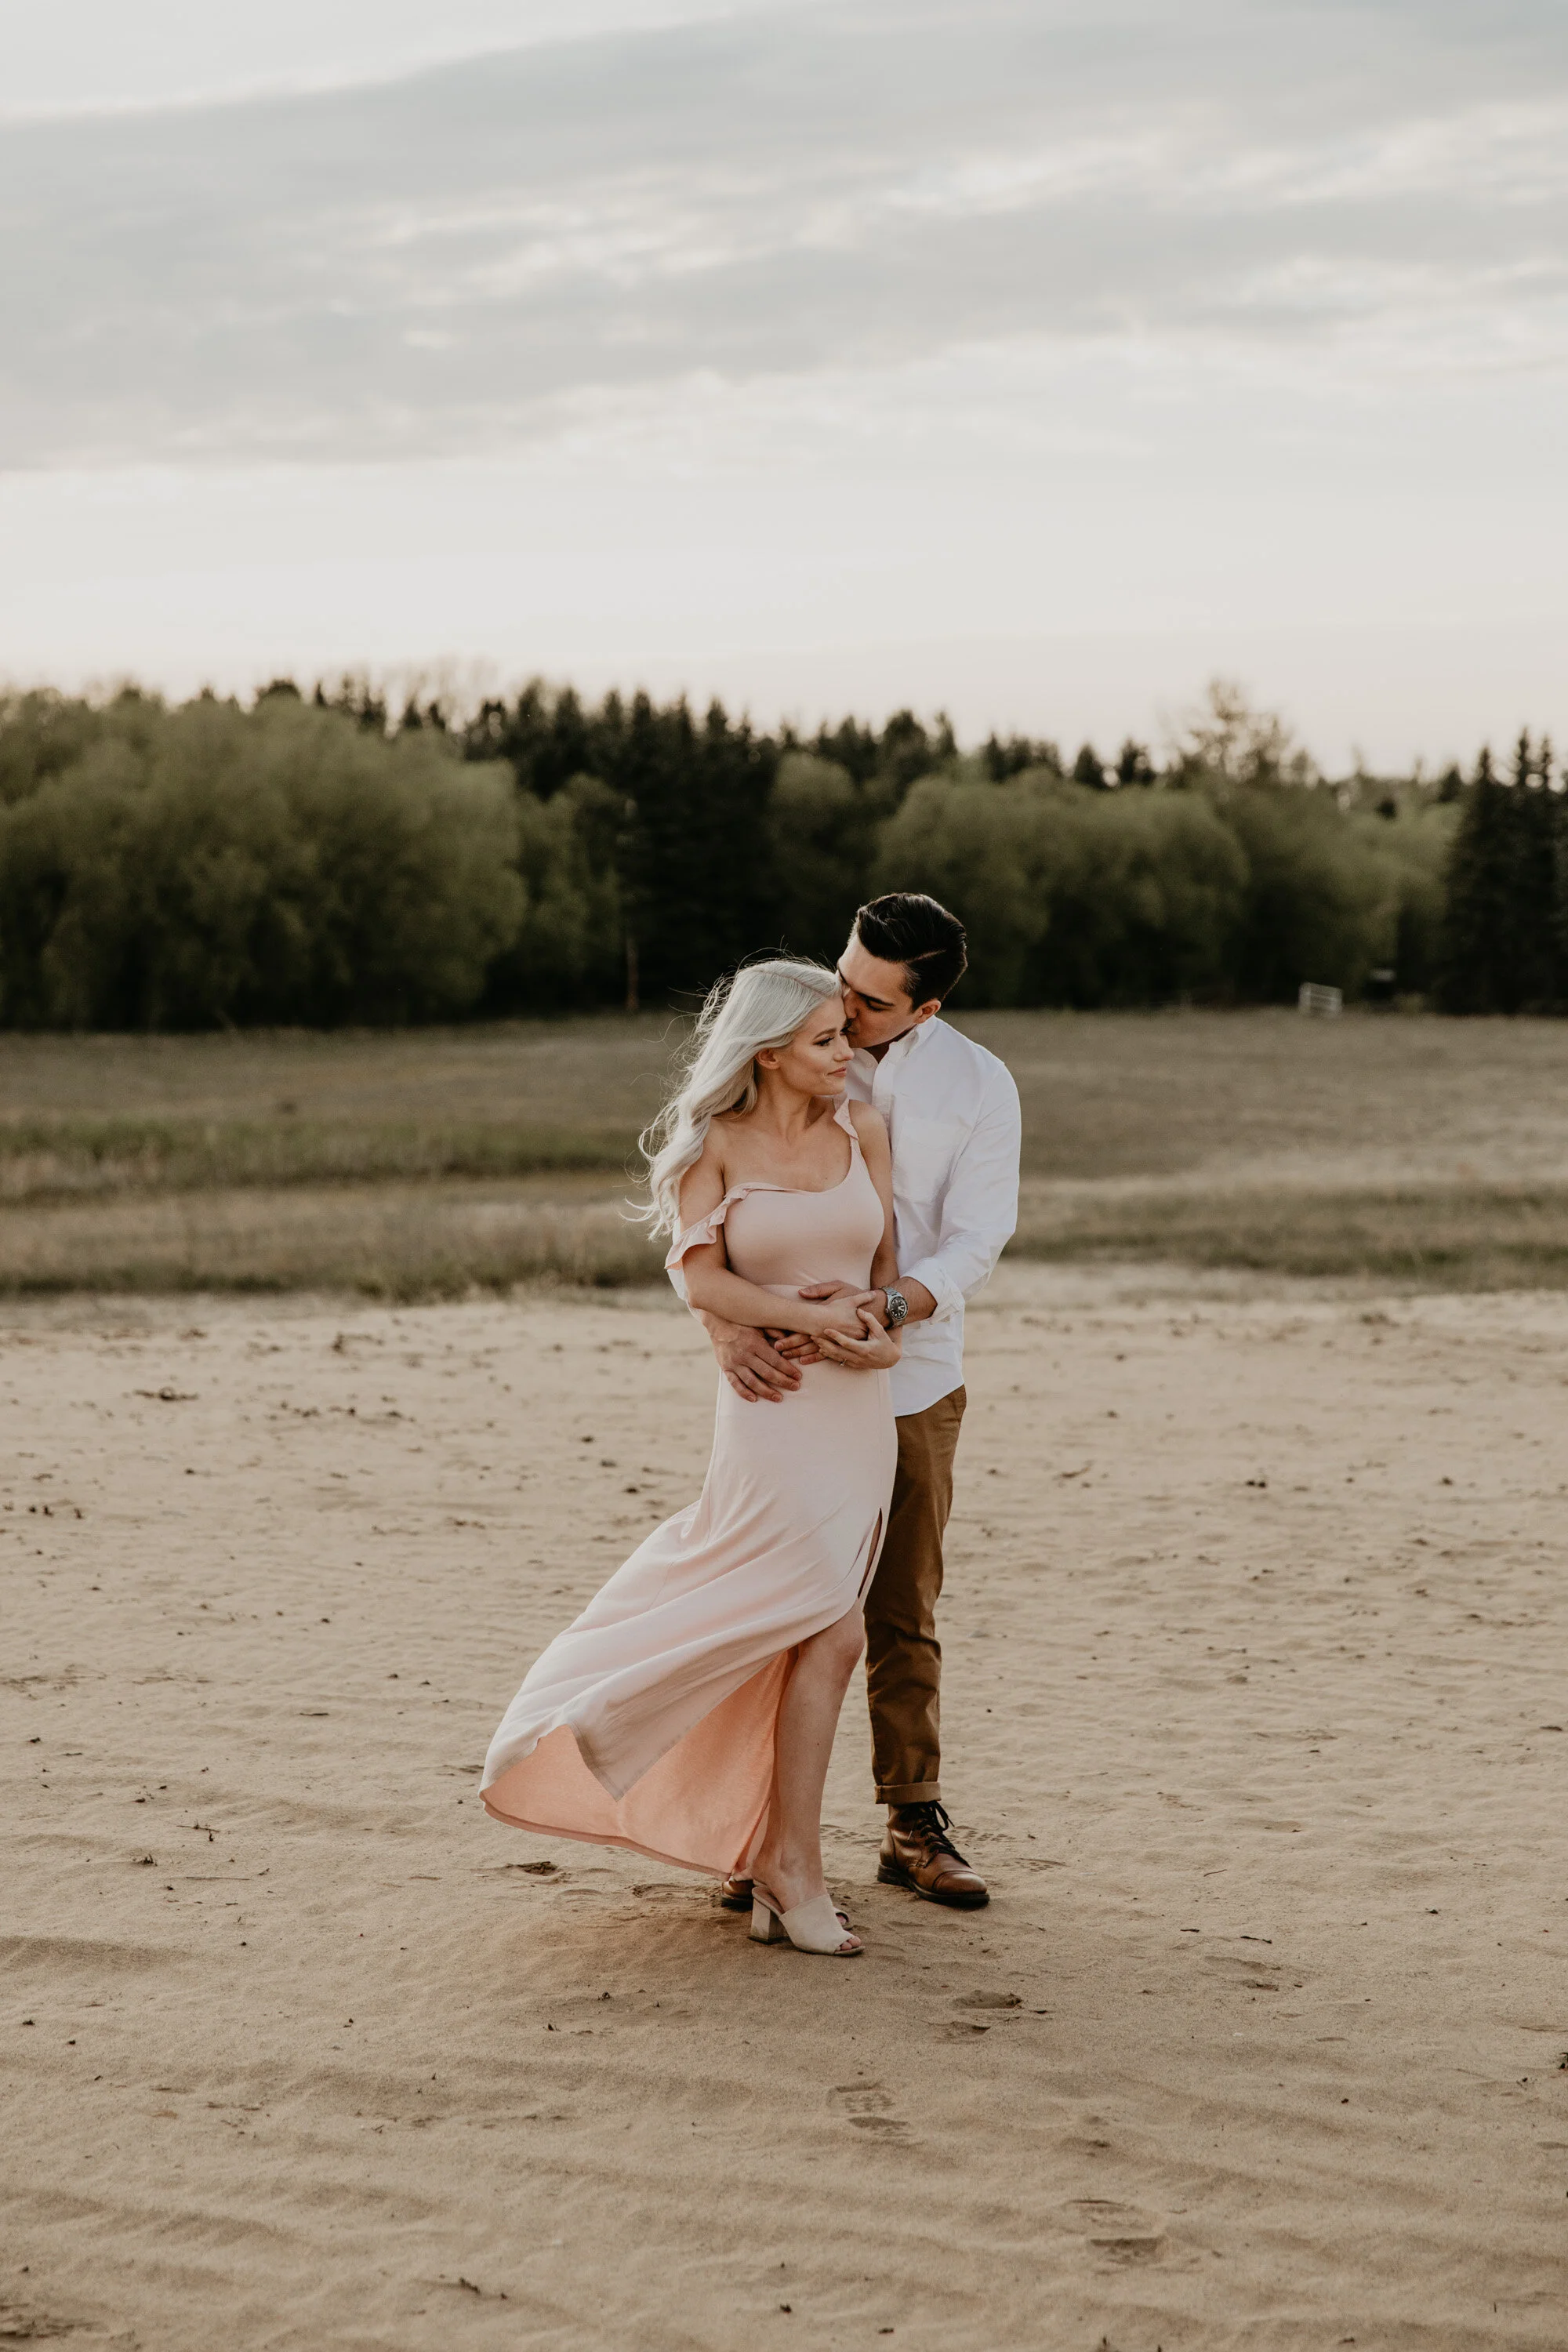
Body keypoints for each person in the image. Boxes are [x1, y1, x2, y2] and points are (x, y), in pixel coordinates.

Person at [481, 959, 902, 1957]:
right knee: (827, 1631)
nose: (849, 1053)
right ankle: (781, 1859)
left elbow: (883, 1278)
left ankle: (774, 1864)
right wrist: (791, 1320)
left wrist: (873, 1335)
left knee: (818, 1636)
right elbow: (700, 1281)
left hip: (857, 1407)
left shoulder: (864, 1131)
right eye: (827, 1041)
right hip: (772, 1408)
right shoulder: (712, 1146)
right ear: (768, 1053)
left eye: (847, 1034)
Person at [698, 895, 1021, 1911]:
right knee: (767, 1596)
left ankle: (911, 1819)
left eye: (871, 1003)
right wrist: (727, 1331)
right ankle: (752, 1833)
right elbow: (711, 1208)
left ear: (922, 1010)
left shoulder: (979, 1085)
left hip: (911, 1376)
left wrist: (883, 1307)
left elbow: (977, 1238)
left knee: (900, 1605)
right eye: (843, 976)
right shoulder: (791, 1036)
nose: (844, 1006)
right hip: (784, 1380)